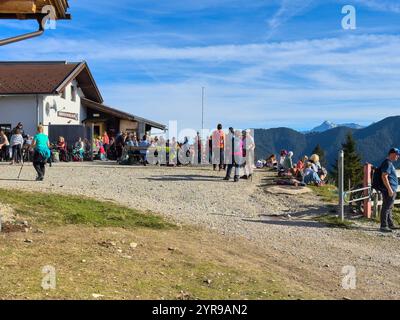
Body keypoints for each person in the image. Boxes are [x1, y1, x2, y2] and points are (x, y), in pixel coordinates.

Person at [379, 148, 400, 233]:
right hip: (389, 190)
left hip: (391, 189)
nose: (398, 156)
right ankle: (383, 226)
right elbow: (384, 176)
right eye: (397, 154)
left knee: (389, 207)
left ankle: (390, 224)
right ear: (392, 154)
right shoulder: (388, 163)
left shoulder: (389, 163)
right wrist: (390, 189)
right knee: (386, 207)